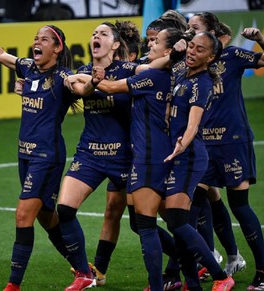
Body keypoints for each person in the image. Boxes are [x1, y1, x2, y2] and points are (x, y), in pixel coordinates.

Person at [0, 17, 79, 291]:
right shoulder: (27, 68)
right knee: (46, 217)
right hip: (24, 154)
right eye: (36, 38)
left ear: (57, 48)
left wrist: (92, 82)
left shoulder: (61, 77)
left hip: (46, 156)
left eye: (44, 39)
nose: (37, 42)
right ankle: (84, 269)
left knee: (24, 214)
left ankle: (13, 285)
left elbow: (79, 87)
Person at [187, 11, 264, 290]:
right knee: (194, 197)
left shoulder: (232, 57)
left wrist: (261, 39)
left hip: (233, 142)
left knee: (240, 206)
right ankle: (214, 259)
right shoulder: (191, 61)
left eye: (195, 29)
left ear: (212, 33)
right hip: (204, 143)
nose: (190, 34)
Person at [90, 27, 184, 291]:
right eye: (148, 43)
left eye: (153, 43)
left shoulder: (145, 74)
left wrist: (95, 80)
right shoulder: (148, 71)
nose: (147, 50)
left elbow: (111, 85)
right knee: (138, 219)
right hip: (132, 155)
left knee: (152, 221)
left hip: (146, 156)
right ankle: (189, 265)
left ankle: (195, 263)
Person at [58, 21, 138, 291]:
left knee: (136, 222)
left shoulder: (128, 70)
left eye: (103, 34)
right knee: (65, 209)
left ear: (115, 45)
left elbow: (150, 75)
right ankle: (85, 273)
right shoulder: (83, 71)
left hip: (124, 156)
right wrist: (80, 79)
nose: (96, 37)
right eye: (94, 34)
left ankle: (190, 259)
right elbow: (77, 86)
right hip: (90, 153)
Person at [163, 31, 235, 291]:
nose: (192, 51)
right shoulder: (183, 73)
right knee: (178, 223)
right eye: (191, 47)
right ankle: (191, 283)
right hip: (175, 156)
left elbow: (193, 123)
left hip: (189, 157)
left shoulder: (202, 83)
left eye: (199, 49)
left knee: (177, 223)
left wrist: (181, 144)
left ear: (211, 57)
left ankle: (220, 275)